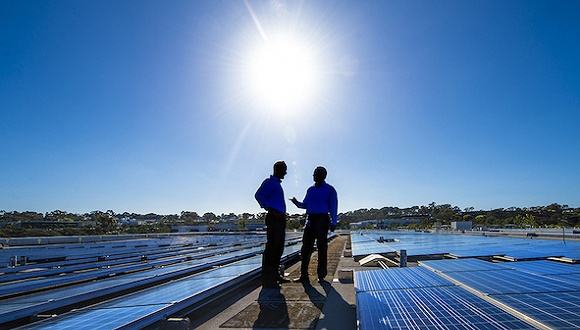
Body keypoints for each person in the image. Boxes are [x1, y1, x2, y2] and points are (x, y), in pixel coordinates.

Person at [290, 166, 338, 283]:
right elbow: (305, 205)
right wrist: (297, 203)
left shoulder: (330, 189)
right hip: (310, 219)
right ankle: (303, 275)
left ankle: (321, 275)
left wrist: (334, 221)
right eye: (314, 174)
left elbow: (333, 207)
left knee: (322, 248)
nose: (314, 176)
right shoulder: (310, 190)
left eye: (316, 174)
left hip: (322, 220)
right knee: (306, 248)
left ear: (323, 176)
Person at [255, 161, 289, 288]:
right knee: (272, 248)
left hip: (279, 219)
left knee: (278, 248)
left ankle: (274, 275)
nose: (286, 172)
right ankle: (268, 279)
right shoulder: (269, 182)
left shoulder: (276, 184)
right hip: (274, 218)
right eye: (284, 170)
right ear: (278, 170)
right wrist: (271, 209)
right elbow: (258, 195)